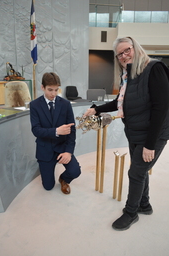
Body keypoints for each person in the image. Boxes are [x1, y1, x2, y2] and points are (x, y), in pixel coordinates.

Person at [83, 36, 169, 230]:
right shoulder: (128, 76)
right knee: (141, 170)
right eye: (119, 54)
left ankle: (131, 213)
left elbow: (161, 108)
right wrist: (97, 109)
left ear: (135, 48)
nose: (123, 56)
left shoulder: (154, 69)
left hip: (152, 134)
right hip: (135, 132)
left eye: (127, 50)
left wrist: (150, 145)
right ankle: (144, 205)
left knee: (136, 172)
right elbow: (119, 103)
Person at [30, 72, 81, 194]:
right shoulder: (34, 105)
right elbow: (36, 130)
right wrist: (56, 131)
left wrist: (68, 152)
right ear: (42, 87)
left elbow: (72, 131)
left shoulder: (66, 104)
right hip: (45, 149)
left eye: (56, 90)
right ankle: (46, 169)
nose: (53, 94)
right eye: (50, 90)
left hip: (62, 147)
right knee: (48, 186)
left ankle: (63, 179)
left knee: (75, 171)